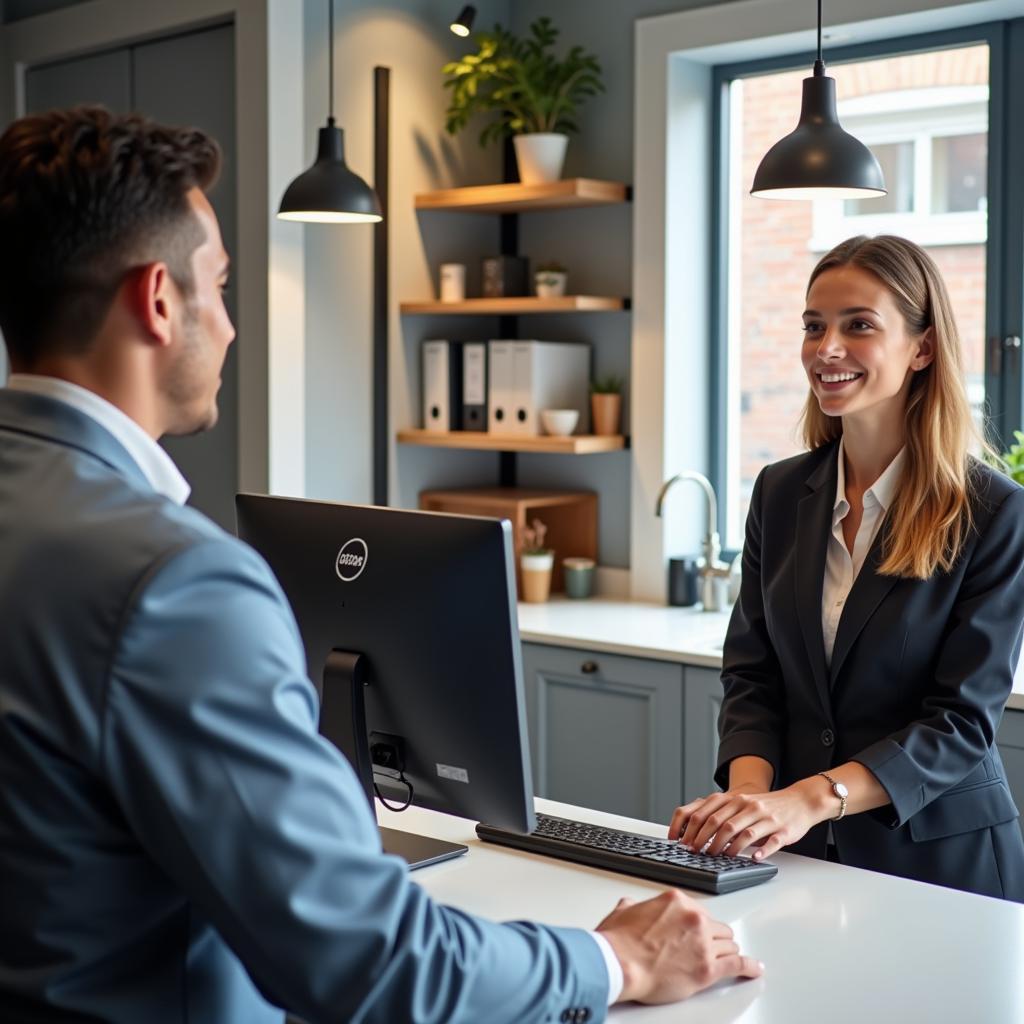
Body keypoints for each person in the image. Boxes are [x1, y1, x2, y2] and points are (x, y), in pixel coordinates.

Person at [0, 107, 762, 1023]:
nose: (233, 328)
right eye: (221, 286)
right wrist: (614, 960)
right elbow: (370, 963)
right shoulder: (175, 582)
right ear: (158, 301)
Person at [670, 234, 1024, 902]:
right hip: (797, 852)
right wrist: (750, 801)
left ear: (922, 348)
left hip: (941, 862)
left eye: (858, 325)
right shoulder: (779, 493)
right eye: (813, 326)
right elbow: (752, 675)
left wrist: (809, 798)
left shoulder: (993, 512)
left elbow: (961, 722)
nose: (825, 349)